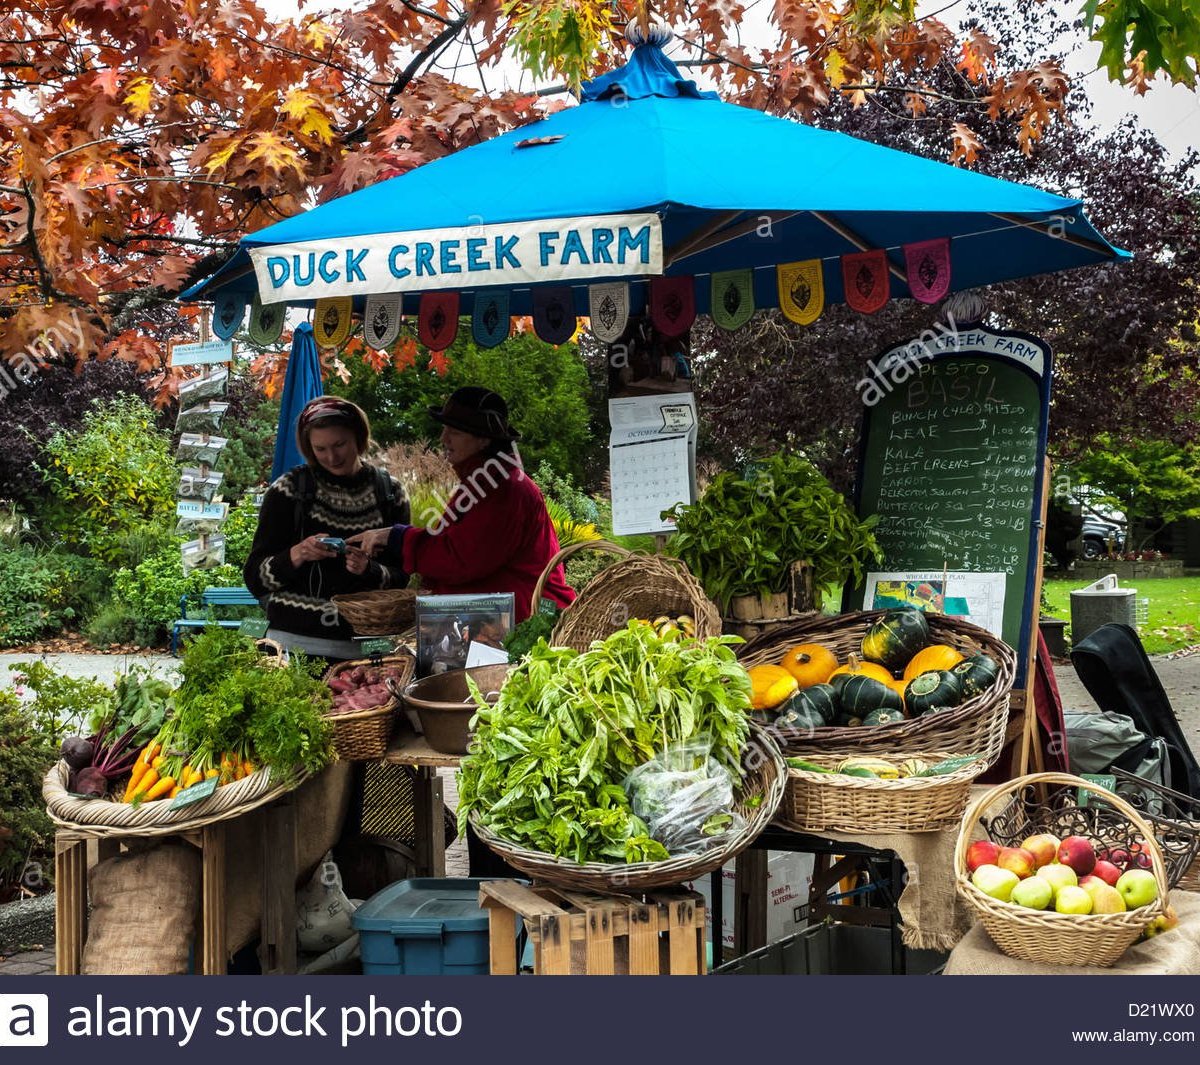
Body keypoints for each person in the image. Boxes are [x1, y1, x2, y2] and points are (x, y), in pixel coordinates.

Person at [348, 386, 575, 623]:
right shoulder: (487, 480)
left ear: (484, 439)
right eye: (444, 428)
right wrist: (392, 538)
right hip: (502, 620)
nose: (443, 438)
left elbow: (460, 559)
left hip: (520, 625)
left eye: (454, 432)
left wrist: (396, 537)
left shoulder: (504, 488)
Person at [244, 396, 411, 660]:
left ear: (358, 436)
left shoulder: (390, 493)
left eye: (339, 444)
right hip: (289, 651)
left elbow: (402, 578)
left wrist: (369, 570)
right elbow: (255, 579)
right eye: (320, 449)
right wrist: (297, 554)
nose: (331, 457)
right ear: (309, 448)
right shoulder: (289, 490)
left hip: (365, 654)